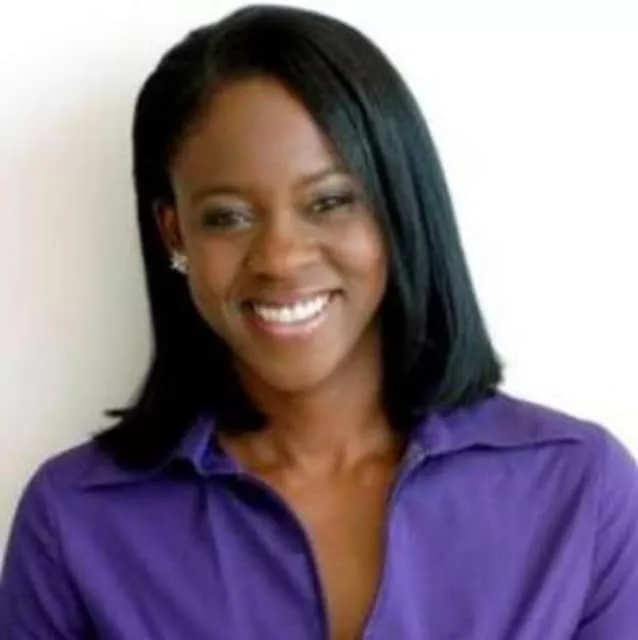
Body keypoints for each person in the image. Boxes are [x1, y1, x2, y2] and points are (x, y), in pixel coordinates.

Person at [1, 5, 637, 639]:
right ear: (175, 232)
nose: (280, 259)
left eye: (330, 202)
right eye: (228, 216)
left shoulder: (580, 491)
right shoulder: (74, 522)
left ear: (398, 206)